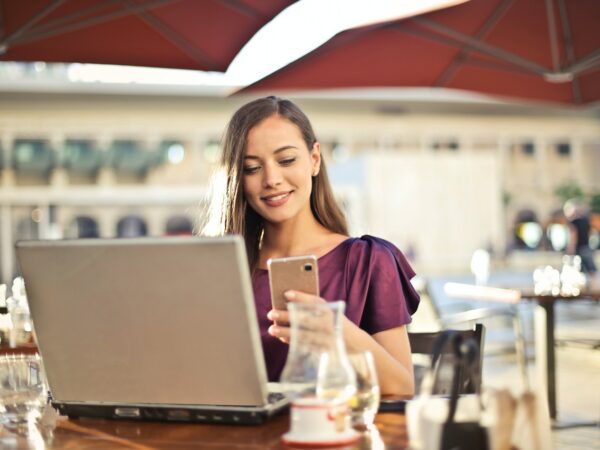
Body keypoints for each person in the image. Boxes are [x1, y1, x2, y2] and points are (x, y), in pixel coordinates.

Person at [205, 96, 420, 395]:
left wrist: (338, 333)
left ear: (314, 159)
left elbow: (404, 386)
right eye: (252, 168)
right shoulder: (220, 271)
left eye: (286, 160)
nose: (272, 179)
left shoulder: (368, 260)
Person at [564, 199, 597, 286]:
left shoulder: (573, 222)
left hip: (578, 248)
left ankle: (578, 287)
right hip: (586, 246)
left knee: (575, 268)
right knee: (591, 269)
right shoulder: (586, 221)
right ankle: (593, 286)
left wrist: (570, 248)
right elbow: (591, 233)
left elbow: (573, 236)